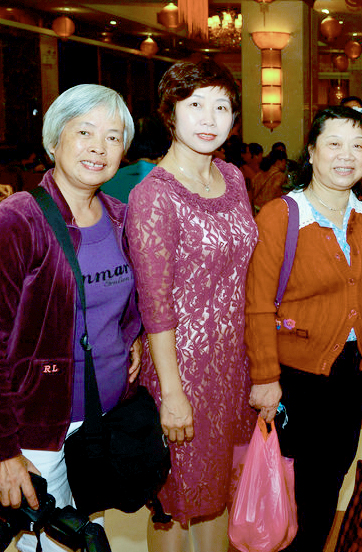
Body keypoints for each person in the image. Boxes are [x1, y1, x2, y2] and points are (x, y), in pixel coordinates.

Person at [0, 84, 141, 552]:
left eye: (113, 137)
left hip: (101, 421)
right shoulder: (18, 220)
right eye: (85, 132)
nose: (99, 147)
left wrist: (132, 337)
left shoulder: (120, 217)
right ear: (55, 140)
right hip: (39, 426)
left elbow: (124, 303)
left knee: (85, 533)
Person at [245, 105, 362, 552]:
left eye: (358, 146)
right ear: (312, 152)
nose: (347, 155)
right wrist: (265, 378)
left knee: (328, 484)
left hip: (350, 376)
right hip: (295, 378)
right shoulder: (281, 215)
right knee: (291, 494)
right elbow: (257, 305)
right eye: (334, 144)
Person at [125, 60, 257, 552]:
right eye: (195, 104)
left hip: (232, 367)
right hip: (181, 370)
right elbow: (155, 305)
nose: (209, 118)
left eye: (221, 107)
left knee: (218, 494)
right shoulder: (153, 195)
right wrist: (173, 393)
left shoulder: (234, 178)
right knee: (175, 502)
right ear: (170, 113)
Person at [250, 149, 290, 213]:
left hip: (256, 207)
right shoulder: (280, 175)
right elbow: (273, 191)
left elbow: (252, 185)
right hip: (268, 209)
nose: (285, 165)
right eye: (285, 162)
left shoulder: (261, 172)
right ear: (280, 161)